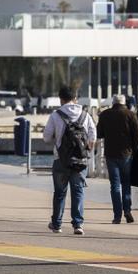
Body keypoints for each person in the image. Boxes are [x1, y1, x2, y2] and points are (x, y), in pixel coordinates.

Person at [42, 86, 96, 236]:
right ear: (75, 98)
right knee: (78, 192)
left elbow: (46, 137)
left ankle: (57, 224)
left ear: (61, 99)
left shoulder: (55, 115)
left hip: (61, 160)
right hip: (80, 161)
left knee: (60, 193)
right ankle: (78, 224)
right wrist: (85, 150)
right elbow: (93, 136)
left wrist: (57, 139)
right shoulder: (85, 115)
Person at [98, 94, 138, 224]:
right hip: (127, 155)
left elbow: (99, 133)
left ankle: (117, 216)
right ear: (124, 103)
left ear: (113, 102)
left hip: (111, 154)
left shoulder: (105, 115)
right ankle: (127, 210)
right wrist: (134, 150)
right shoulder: (131, 114)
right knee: (126, 184)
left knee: (115, 186)